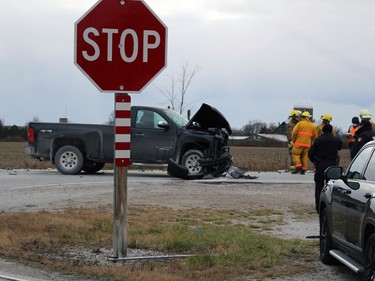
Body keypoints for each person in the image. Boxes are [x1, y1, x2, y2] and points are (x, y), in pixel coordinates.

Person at [308, 124, 342, 213]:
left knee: (319, 186)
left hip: (320, 166)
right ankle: (331, 207)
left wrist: (314, 162)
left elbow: (311, 153)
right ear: (331, 131)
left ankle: (319, 208)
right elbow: (340, 147)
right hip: (332, 167)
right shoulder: (336, 140)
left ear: (322, 130)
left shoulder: (318, 140)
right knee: (331, 187)